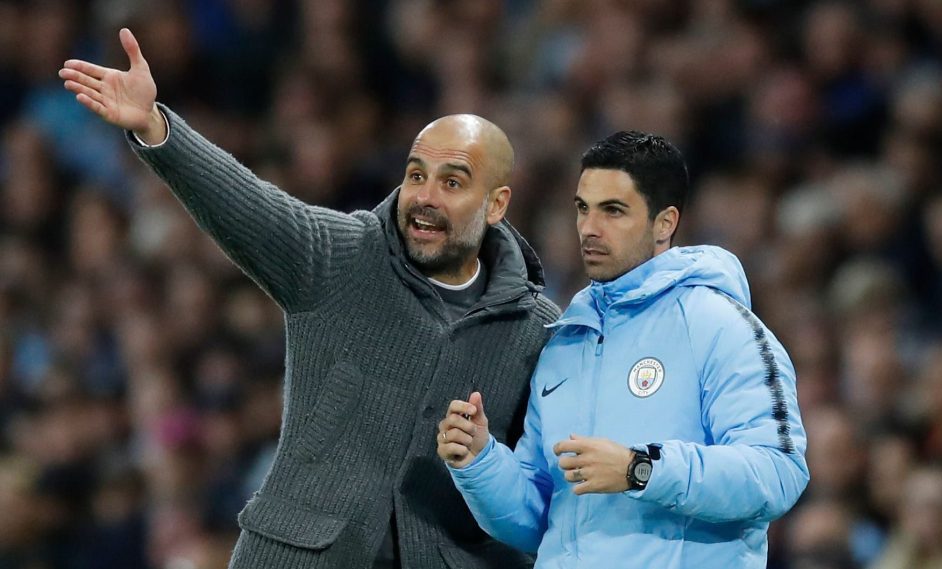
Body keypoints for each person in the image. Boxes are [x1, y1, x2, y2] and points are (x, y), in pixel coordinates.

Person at [59, 29, 560, 569]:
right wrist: (158, 128)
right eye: (417, 175)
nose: (426, 197)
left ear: (496, 204)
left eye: (453, 182)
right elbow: (246, 204)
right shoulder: (345, 257)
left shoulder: (537, 329)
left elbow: (539, 496)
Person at [437, 131, 809, 568]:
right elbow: (540, 522)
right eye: (582, 208)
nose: (589, 228)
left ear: (665, 223)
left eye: (613, 211)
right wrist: (481, 462)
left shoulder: (719, 326)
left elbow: (779, 472)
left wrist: (641, 469)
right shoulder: (565, 344)